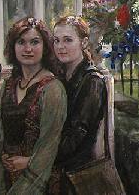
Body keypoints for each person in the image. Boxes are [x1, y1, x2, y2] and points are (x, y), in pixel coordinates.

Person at [0, 17, 67, 195]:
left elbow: (49, 145)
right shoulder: (9, 85)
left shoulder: (53, 88)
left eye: (35, 42)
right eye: (21, 42)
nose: (28, 49)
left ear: (45, 47)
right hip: (7, 179)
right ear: (13, 47)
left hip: (40, 181)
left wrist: (28, 164)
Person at [50, 16, 108, 194]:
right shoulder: (59, 77)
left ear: (83, 42)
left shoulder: (92, 81)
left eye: (68, 40)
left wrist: (40, 159)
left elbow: (78, 133)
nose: (60, 46)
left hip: (77, 171)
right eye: (56, 40)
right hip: (57, 164)